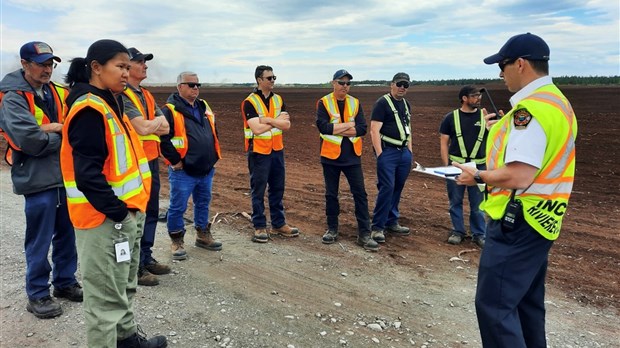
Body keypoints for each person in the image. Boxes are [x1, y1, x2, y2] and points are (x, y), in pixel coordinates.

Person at [454, 33, 578, 347]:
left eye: (503, 64)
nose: (500, 73)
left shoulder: (529, 111)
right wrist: (501, 130)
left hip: (517, 222)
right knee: (526, 305)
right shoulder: (558, 103)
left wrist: (477, 175)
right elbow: (542, 156)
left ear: (520, 64)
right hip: (542, 219)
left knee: (494, 307)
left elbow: (519, 175)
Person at [61, 39, 167, 347]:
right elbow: (87, 176)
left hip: (123, 214)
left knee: (122, 284)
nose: (126, 72)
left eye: (127, 66)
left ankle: (127, 339)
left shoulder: (110, 101)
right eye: (120, 66)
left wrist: (129, 212)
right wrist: (119, 212)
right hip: (102, 219)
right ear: (96, 68)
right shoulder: (90, 109)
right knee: (105, 298)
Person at [0, 41, 82, 319]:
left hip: (64, 176)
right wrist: (61, 132)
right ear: (24, 64)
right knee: (40, 239)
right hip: (36, 177)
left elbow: (76, 126)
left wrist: (49, 129)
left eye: (51, 64)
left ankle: (65, 282)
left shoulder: (56, 92)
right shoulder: (12, 96)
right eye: (42, 64)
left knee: (67, 235)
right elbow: (28, 141)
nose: (48, 69)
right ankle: (37, 293)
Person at [160, 71, 223, 261]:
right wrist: (176, 161)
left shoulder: (204, 107)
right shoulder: (169, 110)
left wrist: (212, 156)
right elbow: (162, 139)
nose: (196, 88)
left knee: (203, 203)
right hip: (183, 171)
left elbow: (213, 132)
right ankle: (176, 240)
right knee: (178, 206)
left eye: (198, 85)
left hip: (206, 168)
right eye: (191, 85)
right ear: (180, 87)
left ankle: (202, 234)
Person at [122, 47, 171, 286]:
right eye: (140, 62)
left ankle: (146, 256)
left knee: (151, 211)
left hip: (151, 160)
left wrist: (151, 123)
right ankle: (135, 266)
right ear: (128, 66)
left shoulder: (147, 95)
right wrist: (153, 123)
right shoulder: (122, 95)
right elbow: (141, 128)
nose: (145, 65)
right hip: (133, 162)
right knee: (135, 215)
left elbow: (166, 127)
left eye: (145, 62)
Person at [315, 69, 379, 252]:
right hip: (330, 156)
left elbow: (361, 129)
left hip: (352, 156)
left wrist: (339, 128)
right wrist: (348, 125)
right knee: (331, 194)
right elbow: (324, 127)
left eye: (348, 83)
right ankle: (332, 229)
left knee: (360, 194)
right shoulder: (324, 103)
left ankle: (364, 233)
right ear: (333, 83)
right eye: (341, 82)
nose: (345, 86)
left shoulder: (355, 102)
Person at [241, 65, 299, 243]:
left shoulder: (279, 99)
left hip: (277, 150)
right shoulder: (249, 102)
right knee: (258, 190)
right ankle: (259, 226)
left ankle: (278, 223)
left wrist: (267, 120)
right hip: (258, 151)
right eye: (269, 78)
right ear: (259, 80)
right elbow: (257, 129)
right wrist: (276, 122)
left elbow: (287, 125)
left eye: (274, 77)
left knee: (277, 188)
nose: (273, 80)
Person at [439, 85, 488, 248]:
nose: (478, 98)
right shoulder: (450, 118)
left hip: (479, 166)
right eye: (474, 96)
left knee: (478, 203)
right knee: (455, 201)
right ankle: (458, 231)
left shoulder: (485, 117)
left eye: (479, 96)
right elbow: (444, 142)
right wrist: (446, 165)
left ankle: (479, 233)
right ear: (464, 98)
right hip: (456, 165)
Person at [369, 72, 413, 243]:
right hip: (388, 152)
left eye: (406, 85)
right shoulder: (382, 103)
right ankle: (377, 227)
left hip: (403, 153)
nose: (402, 87)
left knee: (397, 187)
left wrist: (409, 151)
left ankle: (391, 221)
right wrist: (380, 154)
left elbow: (409, 128)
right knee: (387, 187)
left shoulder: (406, 104)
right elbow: (374, 130)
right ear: (392, 84)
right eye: (400, 84)